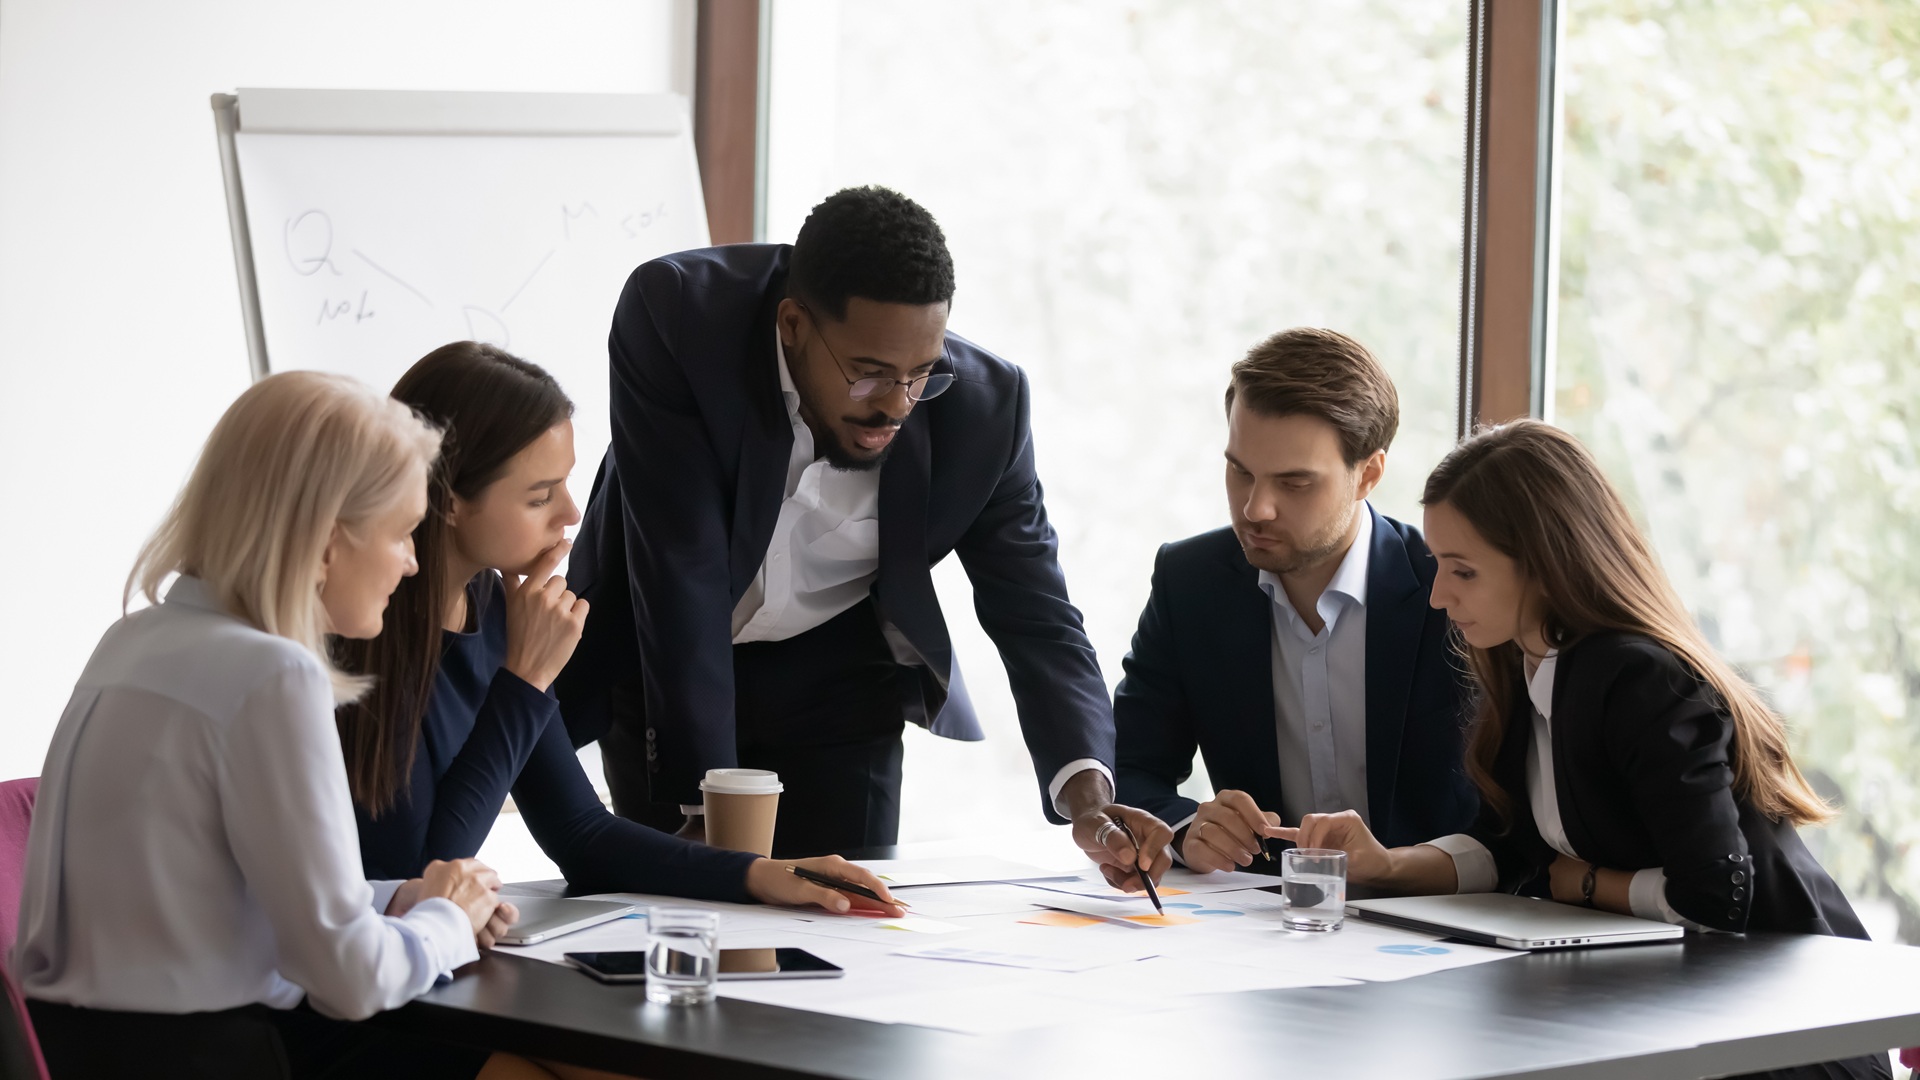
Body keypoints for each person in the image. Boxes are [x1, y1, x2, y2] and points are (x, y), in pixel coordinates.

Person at [557, 185, 1171, 884]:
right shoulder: (679, 317)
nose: (896, 405)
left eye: (921, 375)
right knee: (679, 917)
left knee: (850, 921)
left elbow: (1036, 610)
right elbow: (681, 567)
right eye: (869, 374)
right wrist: (707, 806)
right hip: (669, 663)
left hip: (840, 682)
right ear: (792, 325)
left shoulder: (985, 409)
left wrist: (1091, 800)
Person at [1279, 419, 1888, 1080]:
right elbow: (1510, 846)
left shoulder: (1638, 679)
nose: (1437, 595)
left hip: (1789, 1038)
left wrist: (1589, 884)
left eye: (1462, 571)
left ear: (1542, 566)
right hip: (1690, 1010)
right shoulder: (1529, 668)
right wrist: (1389, 866)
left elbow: (1718, 894)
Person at [12, 372, 517, 1079]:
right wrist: (448, 922)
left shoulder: (132, 641)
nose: (411, 561)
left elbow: (217, 895)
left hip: (87, 1050)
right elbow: (351, 978)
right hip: (216, 1058)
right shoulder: (274, 675)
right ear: (324, 543)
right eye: (403, 532)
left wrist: (396, 898)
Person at [338, 342, 908, 915]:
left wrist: (762, 874)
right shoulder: (359, 628)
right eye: (539, 497)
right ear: (448, 499)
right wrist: (527, 679)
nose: (570, 513)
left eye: (565, 484)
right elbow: (416, 878)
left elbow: (581, 833)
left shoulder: (490, 608)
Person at [1114, 329, 1477, 873]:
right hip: (1259, 922)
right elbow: (1128, 766)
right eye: (1240, 471)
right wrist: (1188, 830)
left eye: (1295, 483)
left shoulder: (1449, 589)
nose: (1256, 508)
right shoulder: (1190, 581)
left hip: (1432, 917)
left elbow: (1509, 814)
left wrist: (1397, 869)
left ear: (1368, 475)